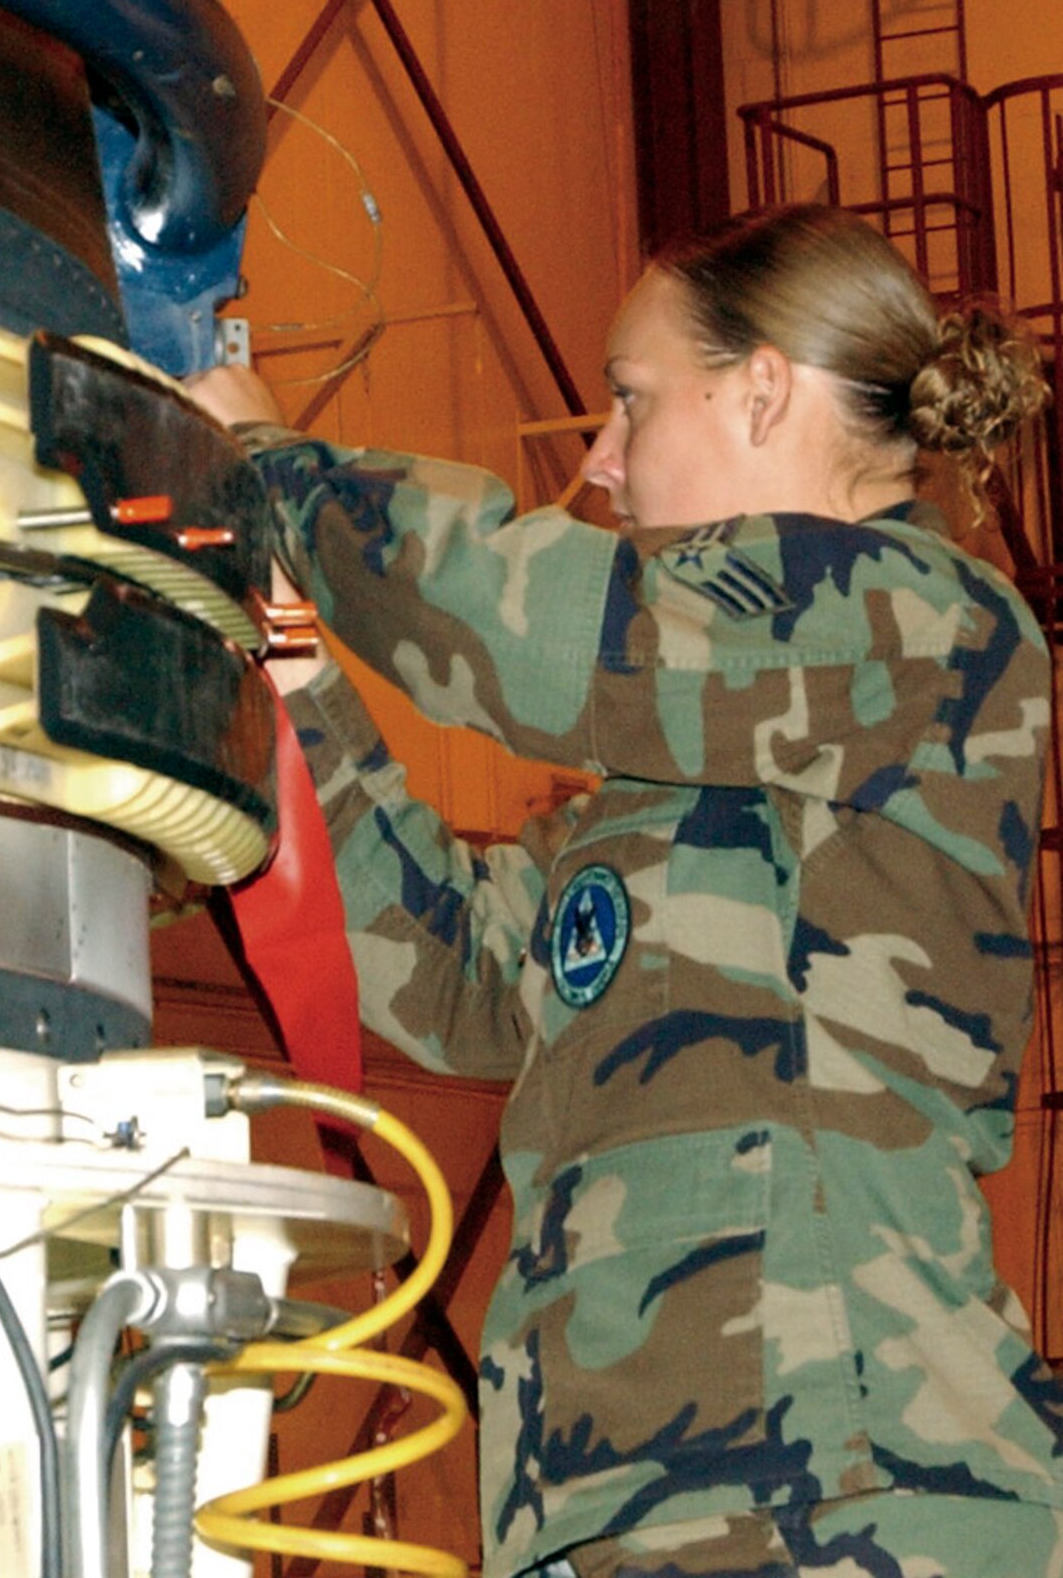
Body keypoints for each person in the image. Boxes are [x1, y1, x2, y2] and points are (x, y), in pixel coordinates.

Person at [190, 205, 1063, 1578]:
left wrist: (266, 472)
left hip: (840, 1493)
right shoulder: (663, 797)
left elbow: (553, 634)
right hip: (615, 1513)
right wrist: (295, 682)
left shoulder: (927, 625)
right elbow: (456, 981)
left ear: (760, 386)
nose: (599, 461)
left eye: (627, 398)